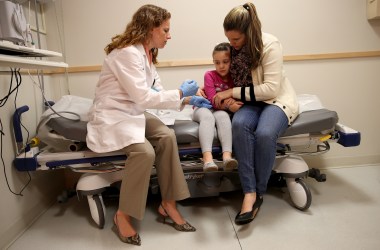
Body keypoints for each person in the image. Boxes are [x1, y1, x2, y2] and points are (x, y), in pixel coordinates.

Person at [86, 4, 211, 246]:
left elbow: (156, 93)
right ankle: (123, 215)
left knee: (166, 136)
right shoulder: (126, 53)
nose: (169, 35)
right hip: (113, 116)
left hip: (133, 112)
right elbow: (144, 97)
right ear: (149, 28)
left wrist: (185, 99)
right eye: (165, 30)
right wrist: (179, 92)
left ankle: (169, 203)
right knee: (144, 152)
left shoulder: (148, 53)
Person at [213, 2, 299, 225]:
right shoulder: (234, 47)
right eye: (229, 39)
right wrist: (211, 88)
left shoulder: (270, 45)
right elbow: (222, 73)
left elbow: (270, 88)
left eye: (236, 40)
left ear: (249, 32)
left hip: (275, 100)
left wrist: (232, 91)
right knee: (239, 125)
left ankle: (259, 191)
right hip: (250, 101)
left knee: (264, 134)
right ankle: (248, 191)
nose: (232, 45)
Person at [192, 42, 242, 172]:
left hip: (220, 110)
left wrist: (229, 103)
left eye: (225, 62)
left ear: (232, 61)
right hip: (203, 106)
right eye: (217, 62)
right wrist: (228, 104)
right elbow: (213, 100)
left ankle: (227, 157)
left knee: (223, 116)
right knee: (208, 118)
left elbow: (238, 97)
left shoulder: (235, 77)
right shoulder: (209, 75)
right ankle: (208, 160)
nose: (221, 66)